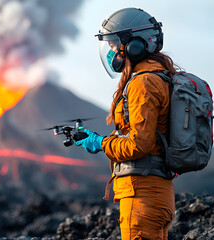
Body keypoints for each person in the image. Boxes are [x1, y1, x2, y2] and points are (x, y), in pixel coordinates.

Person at [76, 8, 177, 240]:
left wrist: (102, 142)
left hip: (142, 195)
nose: (111, 52)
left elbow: (138, 145)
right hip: (155, 191)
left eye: (113, 44)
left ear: (134, 45)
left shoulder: (143, 83)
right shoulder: (160, 76)